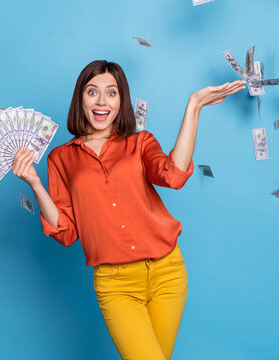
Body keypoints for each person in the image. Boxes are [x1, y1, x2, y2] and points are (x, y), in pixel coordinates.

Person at [13, 60, 245, 360]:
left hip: (168, 273)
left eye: (111, 93)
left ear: (121, 100)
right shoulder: (61, 158)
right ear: (80, 99)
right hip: (115, 283)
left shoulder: (139, 143)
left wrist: (194, 105)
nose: (101, 101)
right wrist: (34, 183)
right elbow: (66, 231)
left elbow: (174, 176)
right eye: (92, 92)